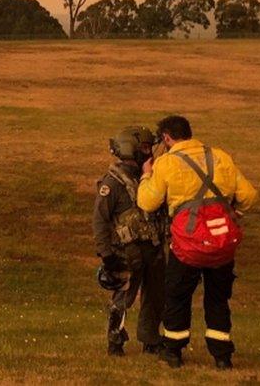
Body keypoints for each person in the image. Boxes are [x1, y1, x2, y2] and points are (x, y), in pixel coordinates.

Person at [138, 115, 258, 369]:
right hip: (221, 245)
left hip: (188, 245)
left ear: (168, 138)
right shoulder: (220, 156)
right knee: (217, 298)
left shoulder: (167, 163)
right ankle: (222, 356)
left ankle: (172, 352)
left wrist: (147, 176)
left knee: (177, 296)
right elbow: (248, 195)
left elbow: (148, 202)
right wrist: (236, 213)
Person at [93, 126, 165, 357]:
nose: (149, 152)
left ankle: (151, 340)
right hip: (128, 252)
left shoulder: (149, 178)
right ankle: (115, 341)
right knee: (124, 297)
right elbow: (100, 220)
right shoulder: (112, 183)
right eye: (144, 148)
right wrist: (106, 254)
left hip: (153, 248)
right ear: (129, 149)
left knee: (154, 297)